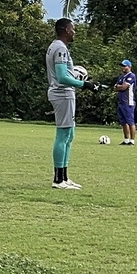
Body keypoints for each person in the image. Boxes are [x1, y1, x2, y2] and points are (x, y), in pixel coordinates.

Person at [47, 18, 100, 189]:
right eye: (72, 29)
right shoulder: (60, 48)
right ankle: (58, 179)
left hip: (64, 94)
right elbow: (62, 77)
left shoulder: (56, 46)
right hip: (62, 94)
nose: (74, 32)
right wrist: (85, 84)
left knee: (69, 135)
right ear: (65, 30)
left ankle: (64, 177)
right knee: (63, 135)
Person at [115, 59, 137, 145]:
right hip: (121, 102)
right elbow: (115, 87)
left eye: (125, 66)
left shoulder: (131, 76)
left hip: (128, 102)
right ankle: (126, 139)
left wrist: (118, 86)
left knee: (130, 121)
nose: (123, 67)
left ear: (129, 67)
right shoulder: (121, 77)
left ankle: (132, 140)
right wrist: (118, 86)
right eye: (122, 66)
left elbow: (123, 87)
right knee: (123, 122)